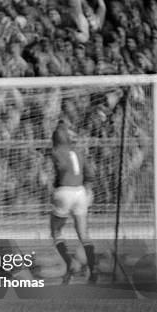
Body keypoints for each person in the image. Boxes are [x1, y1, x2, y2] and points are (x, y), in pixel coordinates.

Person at [49, 120, 96, 284]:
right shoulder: (78, 152)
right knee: (83, 234)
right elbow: (89, 174)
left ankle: (70, 264)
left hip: (65, 191)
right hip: (81, 192)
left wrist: (55, 186)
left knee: (56, 231)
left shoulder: (56, 152)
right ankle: (93, 270)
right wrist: (88, 189)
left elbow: (60, 169)